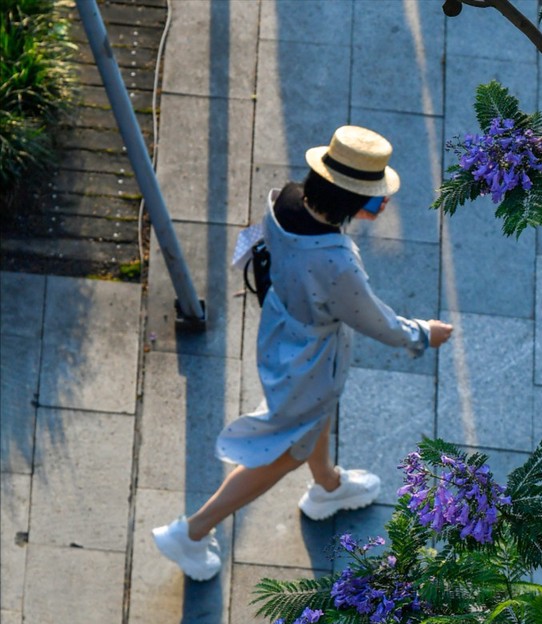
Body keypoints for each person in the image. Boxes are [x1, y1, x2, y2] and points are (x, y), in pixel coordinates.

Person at [153, 125, 453, 580]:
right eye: (376, 195)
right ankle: (192, 531)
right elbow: (372, 317)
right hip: (309, 357)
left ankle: (328, 484)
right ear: (356, 202)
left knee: (314, 417)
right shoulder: (335, 261)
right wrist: (421, 334)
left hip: (285, 328)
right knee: (287, 452)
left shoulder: (288, 199)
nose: (383, 202)